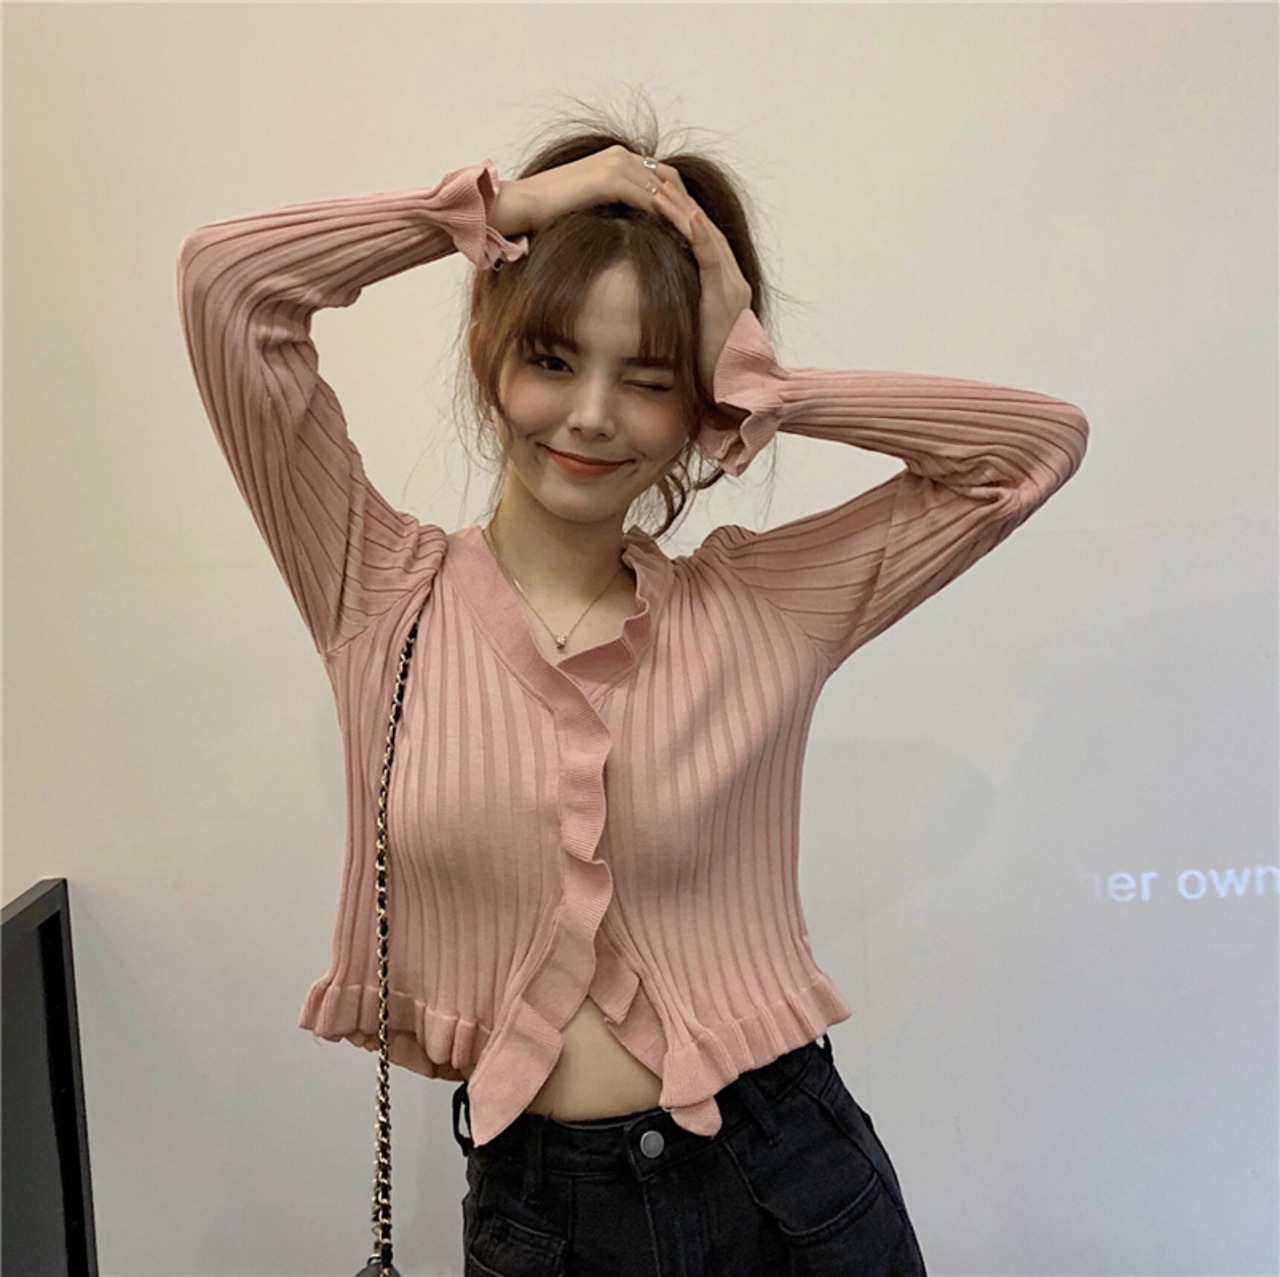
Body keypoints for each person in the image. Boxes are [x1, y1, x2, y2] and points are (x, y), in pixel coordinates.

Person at [177, 104, 1087, 1276]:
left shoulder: (761, 607)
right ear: (491, 352)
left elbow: (1026, 451)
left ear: (696, 401)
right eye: (553, 359)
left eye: (649, 379)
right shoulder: (372, 589)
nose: (592, 415)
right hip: (542, 1214)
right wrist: (493, 211)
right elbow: (229, 286)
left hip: (788, 1183)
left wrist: (769, 384)